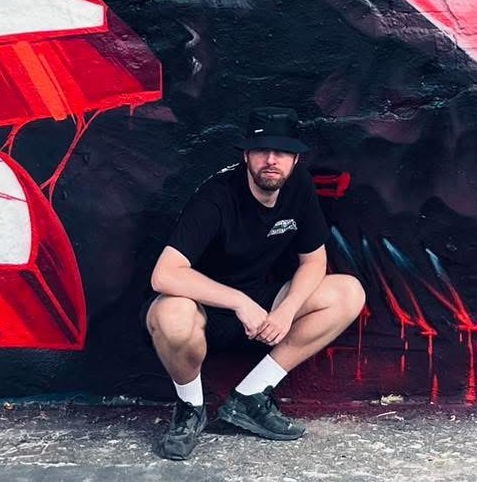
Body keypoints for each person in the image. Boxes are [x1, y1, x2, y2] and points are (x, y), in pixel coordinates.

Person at [145, 111, 365, 460]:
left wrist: (287, 310)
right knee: (171, 315)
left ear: (295, 159)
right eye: (262, 150)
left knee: (348, 293)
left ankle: (249, 397)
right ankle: (190, 409)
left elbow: (314, 261)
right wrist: (238, 302)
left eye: (282, 152)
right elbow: (165, 274)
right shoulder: (217, 195)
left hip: (261, 306)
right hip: (201, 308)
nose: (271, 160)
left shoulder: (298, 186)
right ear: (246, 155)